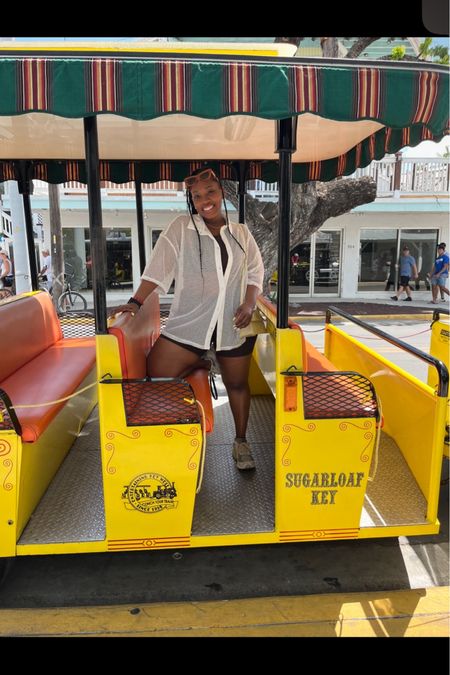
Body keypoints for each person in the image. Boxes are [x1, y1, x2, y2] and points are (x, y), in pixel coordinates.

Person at [113, 167, 264, 471]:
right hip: (189, 324)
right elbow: (159, 268)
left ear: (222, 193)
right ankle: (199, 363)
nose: (204, 200)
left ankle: (240, 442)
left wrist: (249, 303)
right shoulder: (182, 227)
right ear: (192, 201)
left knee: (237, 385)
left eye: (210, 192)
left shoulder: (241, 234)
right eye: (197, 196)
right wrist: (134, 302)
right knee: (157, 373)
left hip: (232, 325)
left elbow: (254, 272)